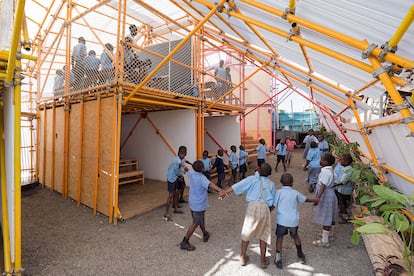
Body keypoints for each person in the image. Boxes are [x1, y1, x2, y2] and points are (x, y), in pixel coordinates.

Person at [222, 163, 276, 268]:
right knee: (263, 235)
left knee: (247, 231)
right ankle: (262, 261)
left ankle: (242, 257)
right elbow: (273, 203)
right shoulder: (271, 184)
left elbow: (238, 185)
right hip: (264, 207)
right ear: (269, 174)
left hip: (252, 207)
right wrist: (268, 211)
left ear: (258, 170)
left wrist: (225, 192)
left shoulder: (252, 179)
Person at [273, 173, 318, 268]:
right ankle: (300, 255)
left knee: (279, 238)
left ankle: (278, 258)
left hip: (282, 220)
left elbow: (273, 204)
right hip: (293, 220)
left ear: (281, 182)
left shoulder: (278, 192)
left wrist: (267, 211)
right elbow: (305, 199)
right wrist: (314, 200)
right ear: (292, 183)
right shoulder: (295, 193)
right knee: (295, 236)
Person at [180, 161, 226, 251]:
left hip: (193, 203)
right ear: (202, 169)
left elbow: (186, 169)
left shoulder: (192, 173)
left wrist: (182, 164)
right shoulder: (202, 178)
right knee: (195, 223)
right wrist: (220, 190)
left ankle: (205, 233)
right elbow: (211, 184)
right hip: (199, 204)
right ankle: (185, 241)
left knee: (200, 219)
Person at [312, 153, 338, 248]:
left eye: (321, 159)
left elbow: (322, 186)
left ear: (325, 162)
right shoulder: (331, 170)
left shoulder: (325, 172)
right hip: (330, 193)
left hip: (325, 195)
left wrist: (317, 198)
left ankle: (324, 241)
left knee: (326, 217)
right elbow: (335, 182)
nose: (320, 160)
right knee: (329, 215)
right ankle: (328, 234)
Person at [163, 146, 188, 221]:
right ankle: (166, 213)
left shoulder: (182, 159)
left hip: (177, 177)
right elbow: (181, 165)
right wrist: (186, 170)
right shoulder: (176, 160)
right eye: (182, 153)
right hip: (171, 178)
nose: (183, 155)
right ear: (179, 153)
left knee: (177, 193)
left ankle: (175, 208)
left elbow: (184, 161)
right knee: (170, 195)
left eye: (184, 153)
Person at [333, 154, 353, 223]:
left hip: (345, 190)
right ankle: (342, 213)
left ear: (346, 162)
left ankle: (345, 217)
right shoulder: (343, 167)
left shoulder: (348, 170)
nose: (339, 161)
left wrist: (333, 185)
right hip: (341, 189)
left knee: (344, 203)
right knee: (341, 201)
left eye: (341, 160)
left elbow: (343, 181)